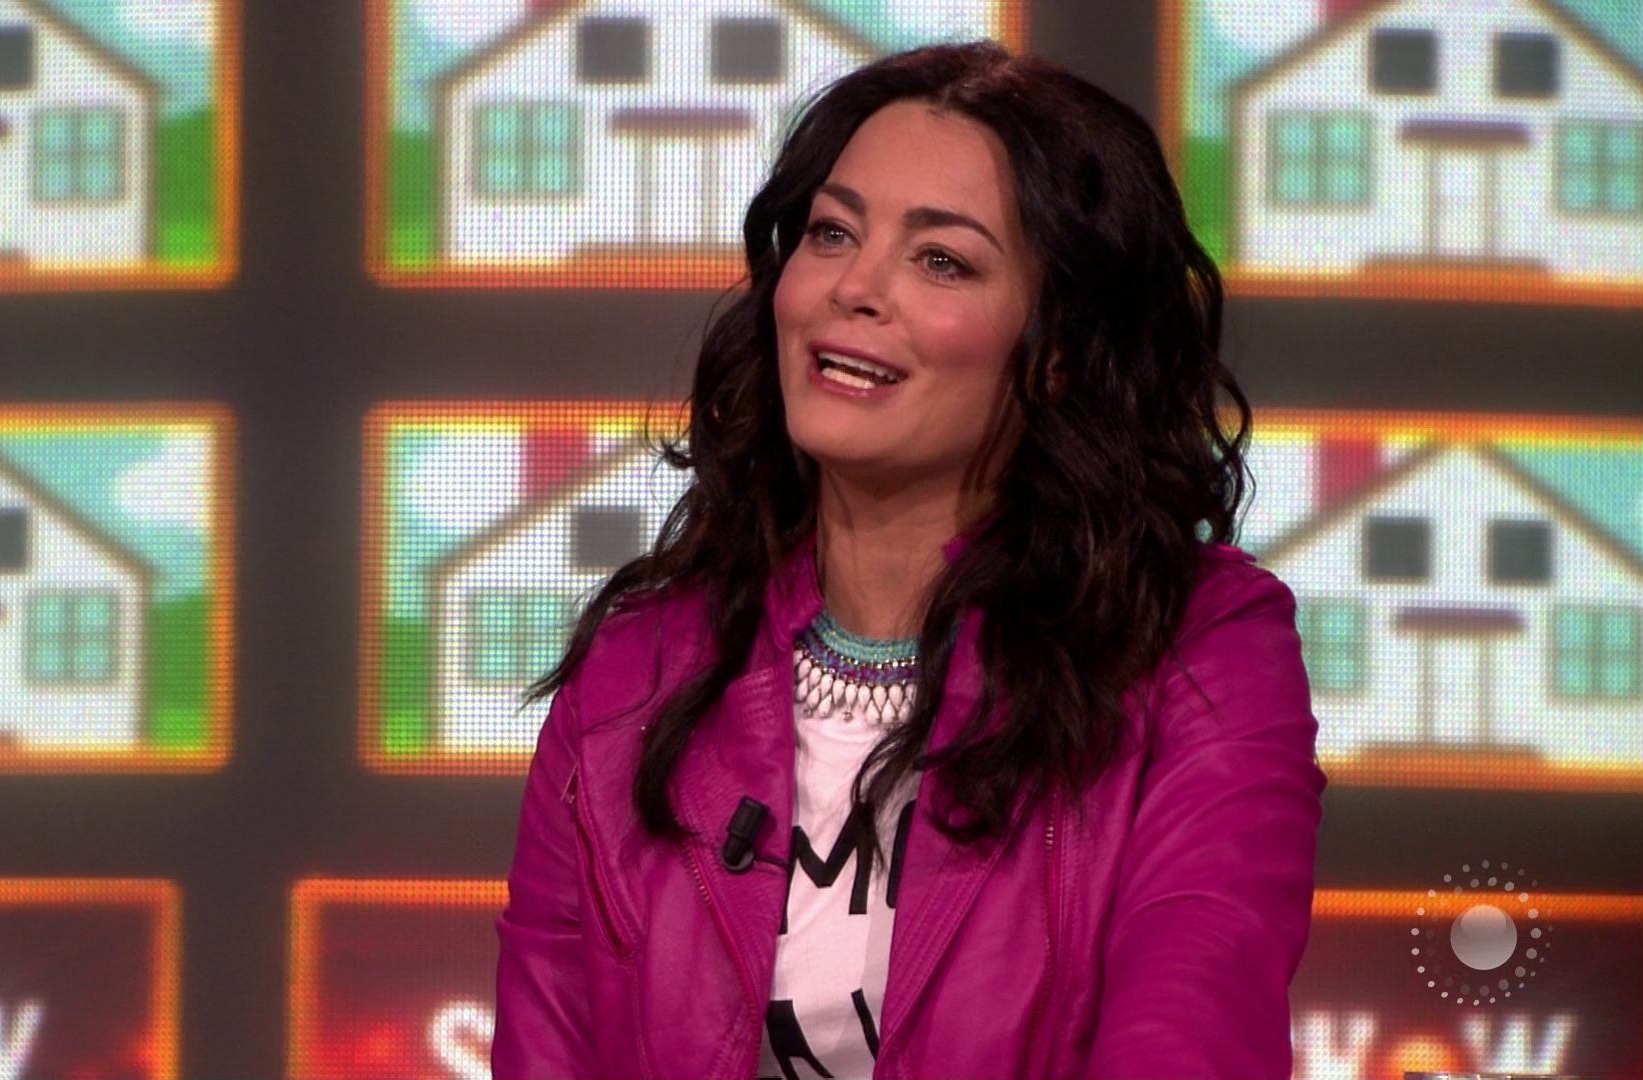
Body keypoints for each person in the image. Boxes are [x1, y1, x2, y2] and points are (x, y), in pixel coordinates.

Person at [492, 40, 1325, 1080]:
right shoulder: (632, 677)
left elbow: (1190, 1034)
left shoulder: (1200, 651)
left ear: (1061, 350)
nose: (855, 287)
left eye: (942, 260)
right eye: (833, 233)